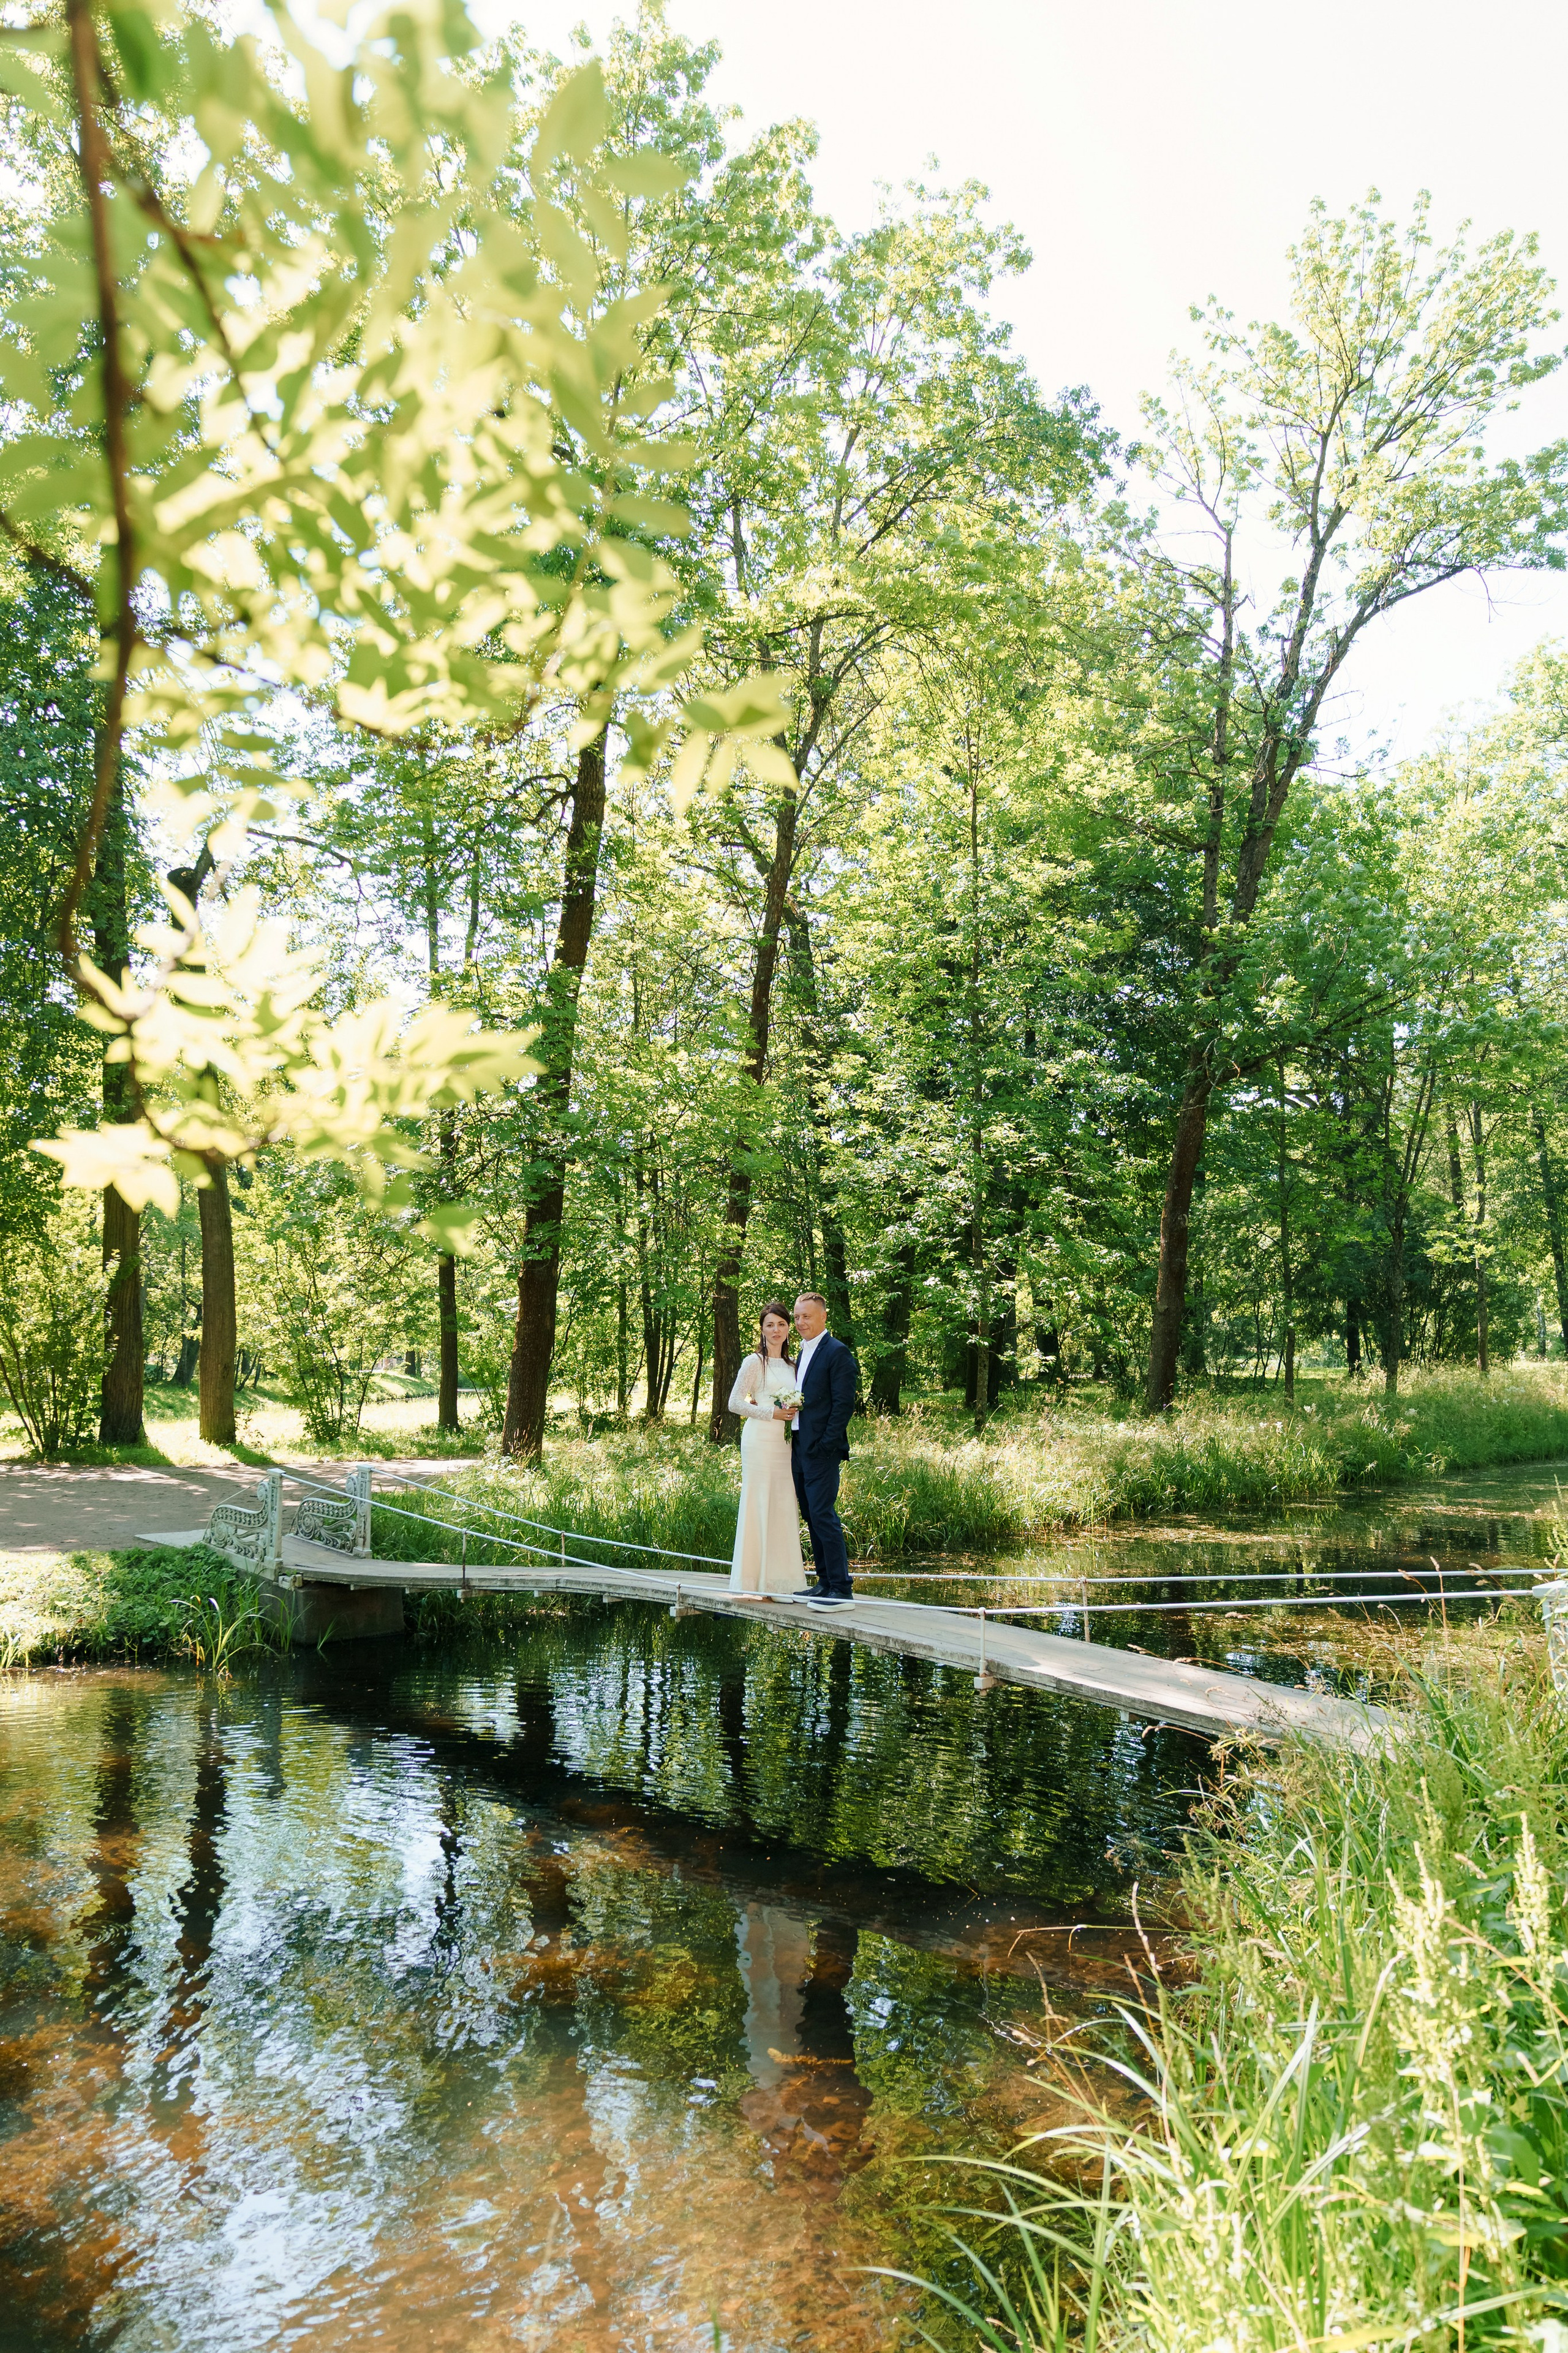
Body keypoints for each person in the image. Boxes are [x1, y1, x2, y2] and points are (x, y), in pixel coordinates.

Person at [727, 1302, 806, 1596]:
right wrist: (771, 1413)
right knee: (758, 1502)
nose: (776, 1330)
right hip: (760, 1441)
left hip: (785, 1444)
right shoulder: (753, 1362)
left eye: (782, 1325)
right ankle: (751, 1582)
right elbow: (734, 1404)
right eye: (770, 1325)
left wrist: (794, 1410)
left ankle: (784, 1583)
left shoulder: (793, 1366)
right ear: (762, 1328)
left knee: (784, 1504)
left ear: (789, 1329)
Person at [787, 1291, 858, 1608]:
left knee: (823, 1514)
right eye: (798, 1317)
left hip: (822, 1450)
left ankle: (842, 1588)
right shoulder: (802, 1352)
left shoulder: (837, 1352)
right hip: (800, 1446)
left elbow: (844, 1406)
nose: (801, 1322)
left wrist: (825, 1445)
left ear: (823, 1317)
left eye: (807, 1316)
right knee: (811, 1515)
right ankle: (825, 1582)